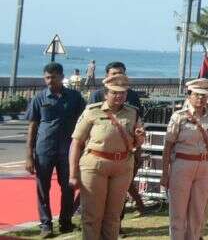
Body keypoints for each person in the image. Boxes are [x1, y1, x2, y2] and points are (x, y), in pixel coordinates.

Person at [69, 73, 146, 240]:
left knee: (113, 217)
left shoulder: (133, 113)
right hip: (94, 166)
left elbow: (137, 143)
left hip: (121, 168)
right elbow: (76, 143)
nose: (119, 96)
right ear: (106, 94)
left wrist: (140, 137)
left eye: (123, 93)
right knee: (92, 216)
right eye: (114, 92)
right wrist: (73, 174)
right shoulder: (92, 112)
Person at [25, 62, 85, 238]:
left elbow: (85, 121)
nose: (50, 81)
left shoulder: (75, 97)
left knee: (68, 187)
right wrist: (29, 154)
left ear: (61, 77)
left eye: (53, 77)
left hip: (68, 150)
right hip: (44, 149)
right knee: (43, 188)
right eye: (47, 77)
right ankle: (46, 225)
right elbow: (32, 126)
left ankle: (65, 222)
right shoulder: (40, 98)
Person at [162, 78, 208, 240]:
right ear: (189, 95)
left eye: (203, 95)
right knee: (178, 213)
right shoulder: (178, 117)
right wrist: (164, 174)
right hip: (182, 165)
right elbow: (168, 148)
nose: (200, 98)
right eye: (197, 95)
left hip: (204, 166)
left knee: (197, 212)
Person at [87, 61, 146, 216]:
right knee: (99, 194)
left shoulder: (132, 96)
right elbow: (88, 128)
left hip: (126, 154)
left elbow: (137, 125)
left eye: (121, 73)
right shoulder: (97, 96)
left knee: (120, 192)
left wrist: (138, 150)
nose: (118, 77)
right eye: (114, 74)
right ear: (106, 76)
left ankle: (117, 223)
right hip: (100, 155)